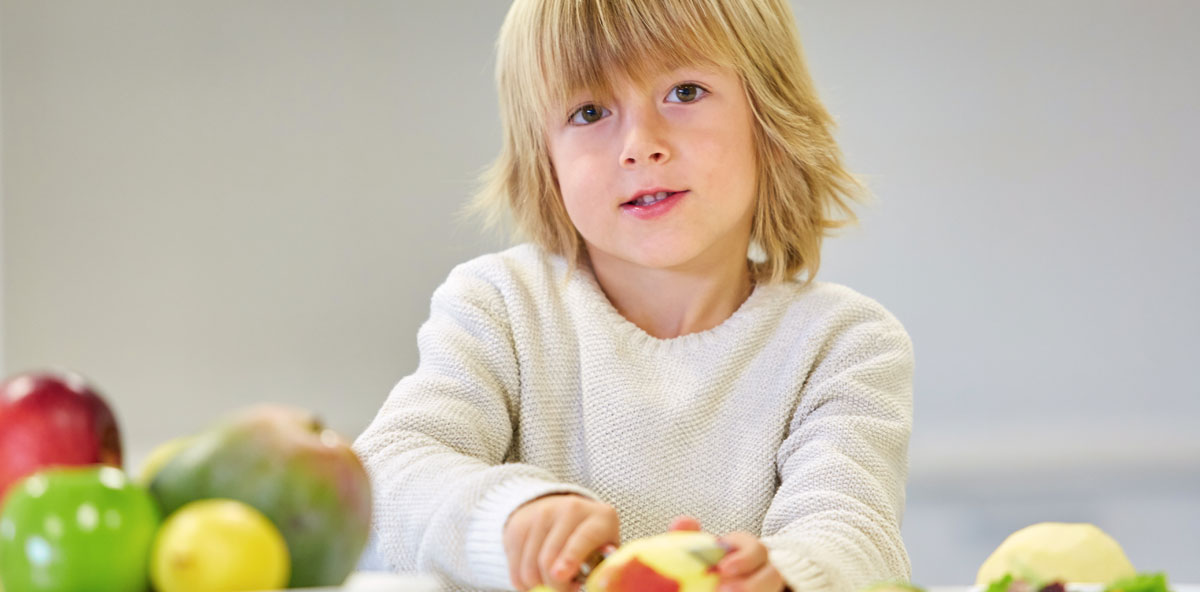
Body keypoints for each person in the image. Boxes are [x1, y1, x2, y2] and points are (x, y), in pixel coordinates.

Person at [352, 0, 914, 591]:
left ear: (768, 118)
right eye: (590, 111)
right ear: (545, 159)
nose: (641, 145)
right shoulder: (500, 305)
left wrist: (786, 575)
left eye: (685, 92)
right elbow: (387, 476)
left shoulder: (845, 343)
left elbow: (856, 530)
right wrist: (511, 517)